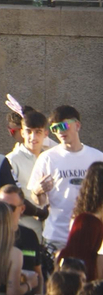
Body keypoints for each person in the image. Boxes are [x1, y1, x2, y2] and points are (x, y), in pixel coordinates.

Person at [29, 106, 103, 251]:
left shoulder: (97, 157)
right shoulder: (47, 158)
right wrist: (37, 191)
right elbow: (40, 201)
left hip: (91, 234)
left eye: (63, 126)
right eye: (55, 128)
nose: (60, 132)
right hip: (57, 236)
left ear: (78, 125)